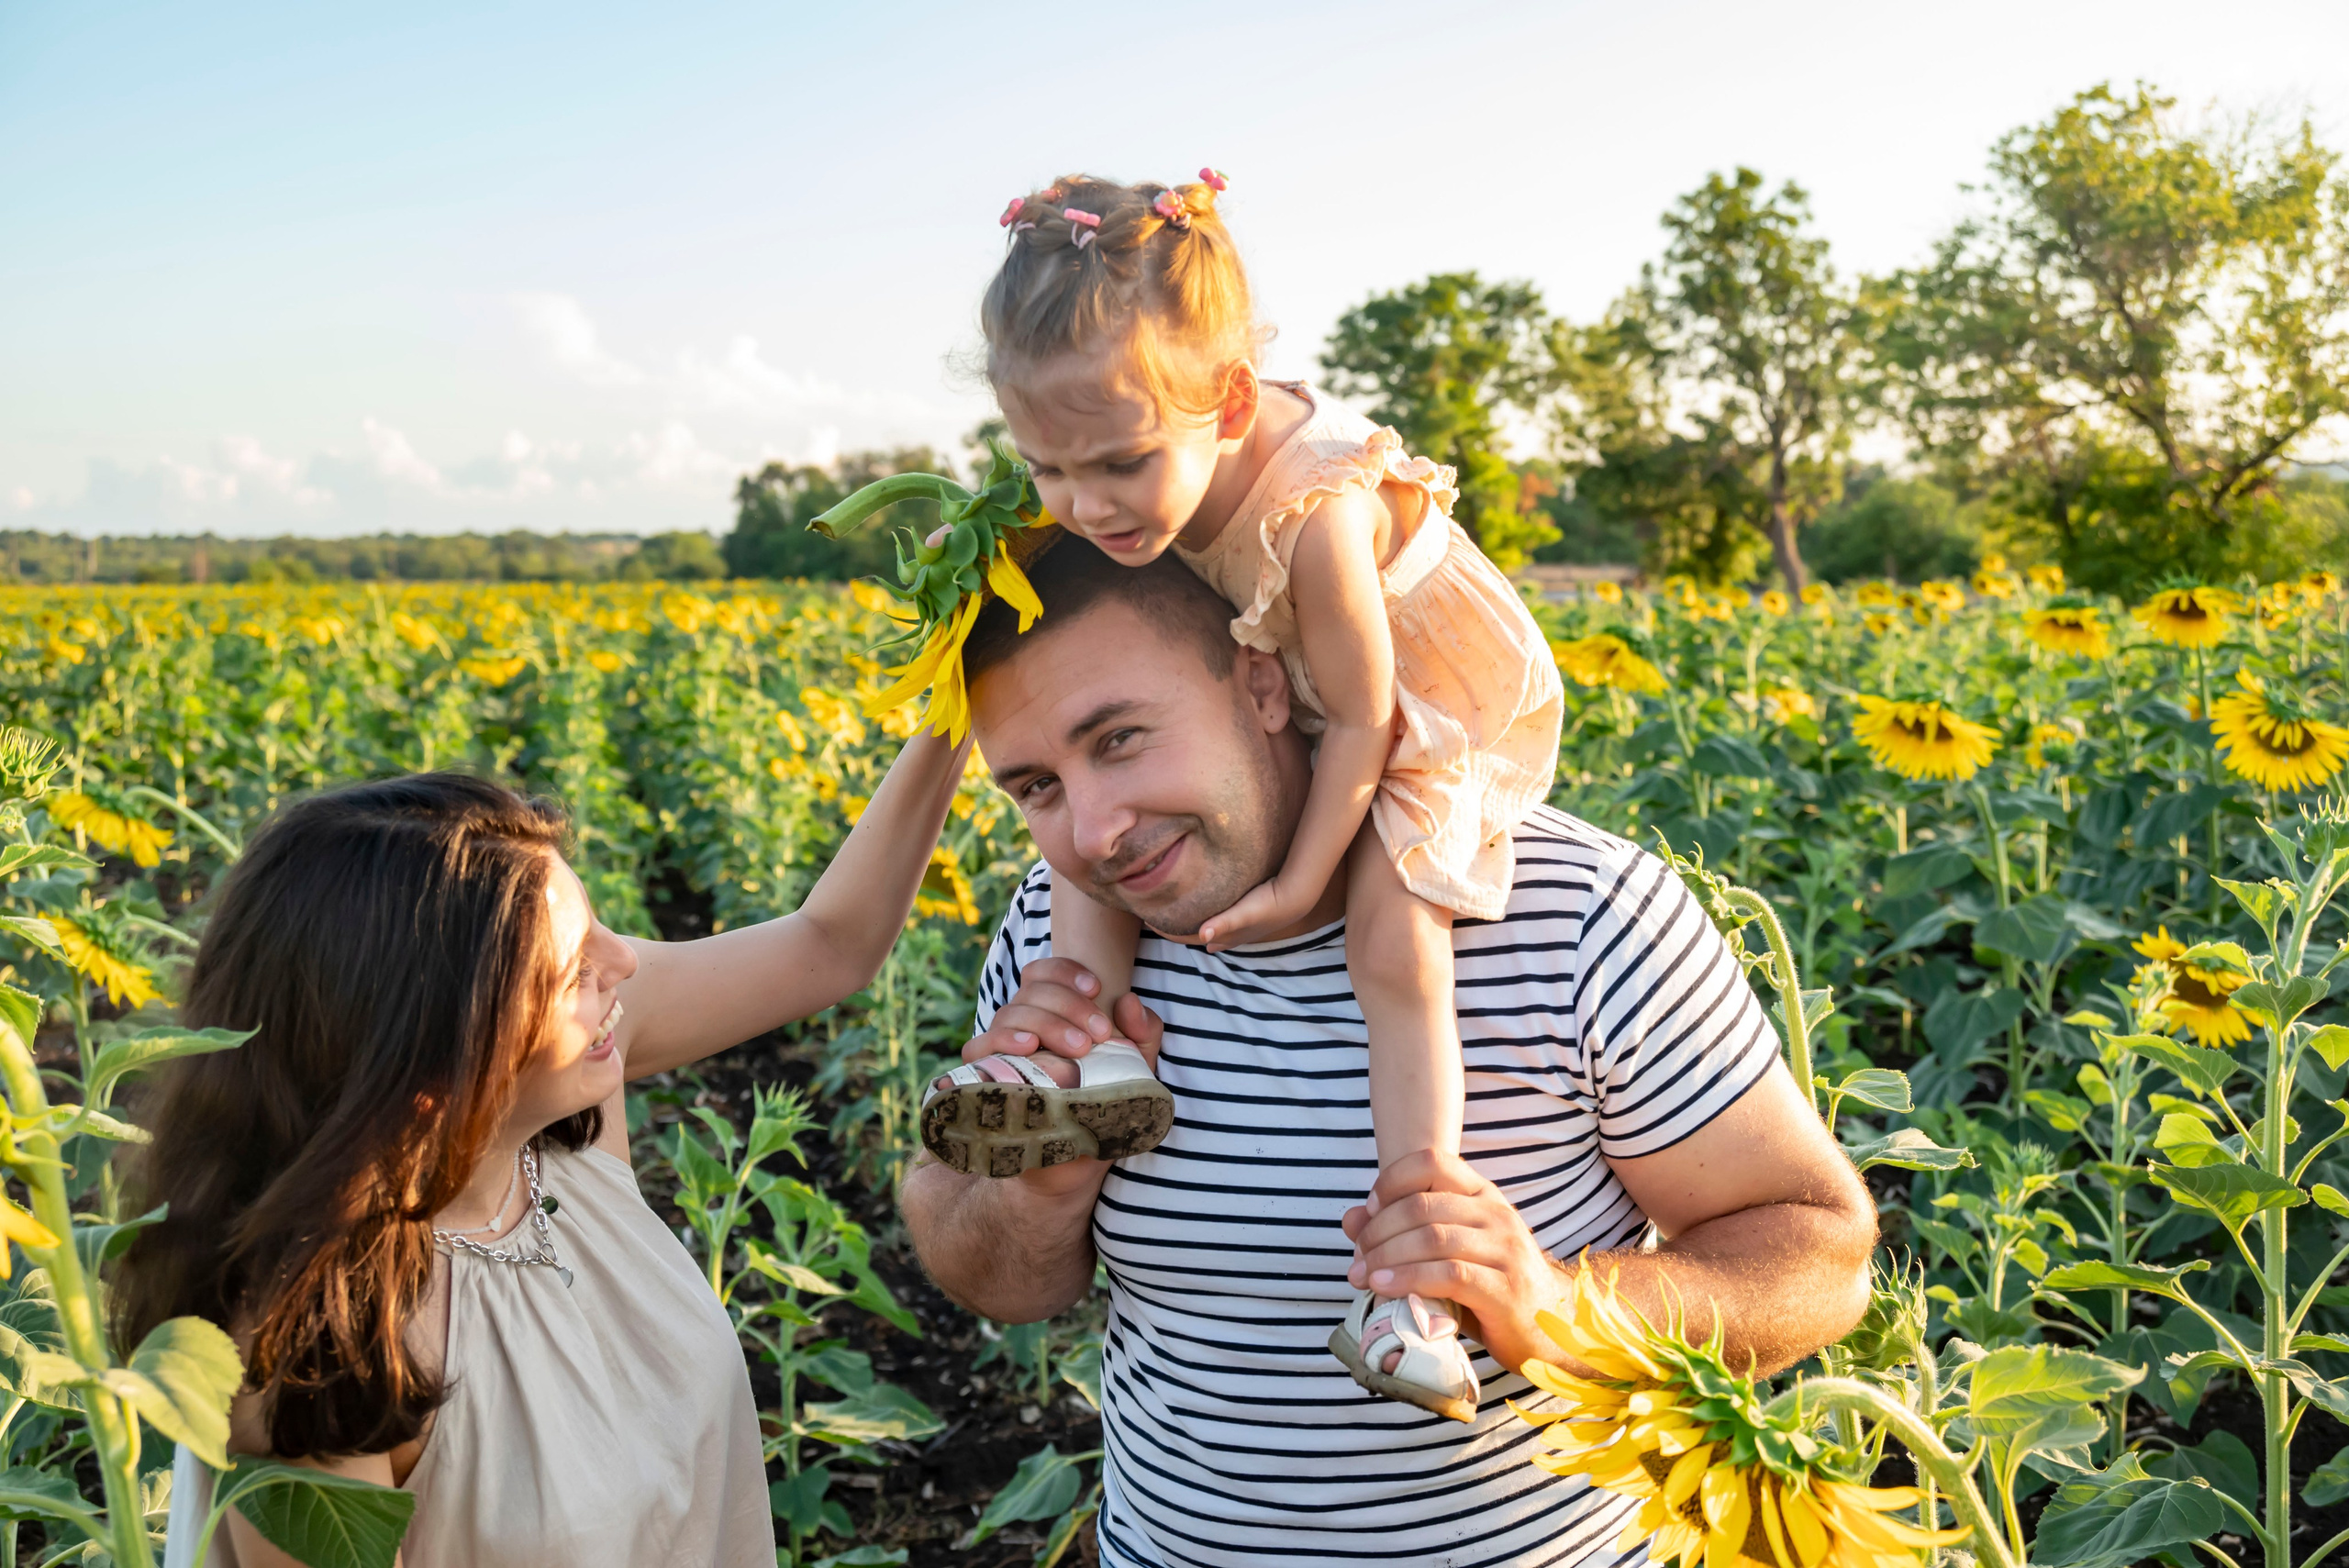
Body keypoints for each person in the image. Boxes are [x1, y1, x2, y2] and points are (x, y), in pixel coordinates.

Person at [900, 539, 1876, 1568]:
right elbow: (991, 1275)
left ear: (1264, 683)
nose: (1094, 831)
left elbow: (1820, 1251)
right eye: (1037, 786)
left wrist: (1558, 1304)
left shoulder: (1577, 915)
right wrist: (1036, 1190)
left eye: (1122, 739)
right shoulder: (1060, 937)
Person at [922, 169, 1563, 1420]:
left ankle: (1409, 1272)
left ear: (1222, 401)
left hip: (1429, 718)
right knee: (1091, 840)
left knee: (1395, 940)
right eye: (1047, 469)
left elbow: (1370, 716)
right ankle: (1082, 1059)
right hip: (1310, 700)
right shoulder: (1130, 470)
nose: (1084, 505)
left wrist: (1299, 883)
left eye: (1114, 465)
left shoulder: (1314, 502)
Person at [123, 737, 968, 1568]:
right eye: (569, 972)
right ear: (433, 1063)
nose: (624, 962)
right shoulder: (318, 1348)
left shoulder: (571, 1109)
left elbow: (830, 943)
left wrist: (954, 702)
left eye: (594, 922)